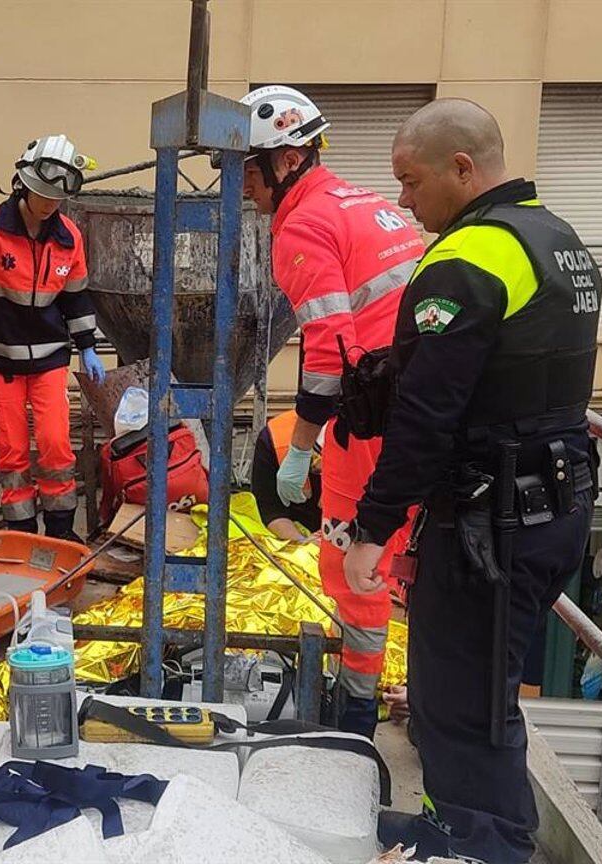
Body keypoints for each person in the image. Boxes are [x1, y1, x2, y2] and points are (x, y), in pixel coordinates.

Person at [347, 98, 601, 864]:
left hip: (492, 520)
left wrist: (372, 525)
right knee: (462, 690)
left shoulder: (470, 257)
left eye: (410, 181)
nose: (402, 201)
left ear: (462, 168)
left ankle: (483, 845)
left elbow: (429, 410)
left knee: (464, 701)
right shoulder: (559, 240)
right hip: (549, 503)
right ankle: (451, 825)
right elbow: (518, 375)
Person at [231, 85, 424, 739]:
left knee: (349, 563)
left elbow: (330, 352)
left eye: (247, 174)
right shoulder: (367, 203)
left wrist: (302, 447)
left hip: (370, 416)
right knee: (411, 559)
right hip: (422, 406)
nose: (244, 192)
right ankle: (416, 703)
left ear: (286, 162)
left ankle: (355, 719)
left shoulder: (303, 227)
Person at [0, 135, 106, 541]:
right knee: (11, 452)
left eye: (56, 198)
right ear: (24, 184)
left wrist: (87, 346)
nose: (49, 204)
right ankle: (21, 531)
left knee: (55, 445)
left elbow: (76, 298)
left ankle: (61, 531)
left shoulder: (68, 238)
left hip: (49, 360)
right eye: (42, 194)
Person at [251, 409, 323, 542]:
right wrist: (303, 543)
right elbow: (270, 510)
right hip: (295, 535)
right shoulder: (275, 435)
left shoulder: (369, 437)